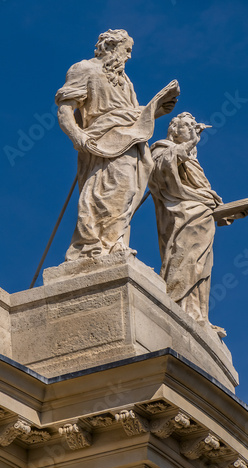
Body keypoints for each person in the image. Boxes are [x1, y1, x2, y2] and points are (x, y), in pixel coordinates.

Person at [55, 29, 178, 260]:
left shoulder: (125, 82)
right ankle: (94, 245)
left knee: (128, 191)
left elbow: (132, 116)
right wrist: (77, 136)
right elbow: (64, 110)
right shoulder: (84, 69)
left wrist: (157, 109)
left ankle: (114, 242)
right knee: (106, 191)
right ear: (111, 46)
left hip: (130, 140)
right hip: (102, 139)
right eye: (127, 50)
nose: (129, 56)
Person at [148, 112, 223, 323]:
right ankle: (176, 302)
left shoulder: (191, 159)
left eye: (193, 125)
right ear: (174, 129)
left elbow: (202, 193)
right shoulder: (162, 148)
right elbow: (160, 171)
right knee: (184, 257)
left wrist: (220, 209)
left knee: (201, 265)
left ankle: (197, 314)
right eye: (186, 126)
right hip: (181, 216)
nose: (191, 129)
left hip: (202, 217)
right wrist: (189, 144)